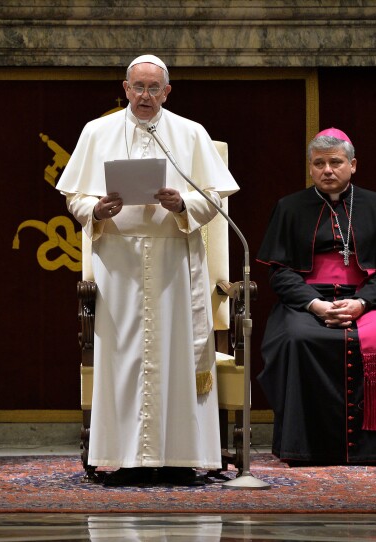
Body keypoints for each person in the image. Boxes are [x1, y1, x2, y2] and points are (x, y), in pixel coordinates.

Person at [56, 54, 239, 486]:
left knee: (176, 356)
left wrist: (183, 204)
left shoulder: (190, 133)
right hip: (118, 264)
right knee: (123, 359)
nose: (144, 95)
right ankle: (123, 457)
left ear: (167, 92)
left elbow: (214, 197)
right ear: (125, 89)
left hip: (175, 260)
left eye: (153, 88)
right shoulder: (96, 131)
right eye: (137, 87)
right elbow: (74, 197)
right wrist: (96, 209)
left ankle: (180, 457)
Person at [257, 128, 376, 466]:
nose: (327, 170)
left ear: (353, 165)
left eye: (335, 162)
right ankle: (304, 447)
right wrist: (316, 305)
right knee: (296, 339)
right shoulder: (289, 207)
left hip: (365, 299)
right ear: (310, 167)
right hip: (308, 301)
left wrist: (362, 303)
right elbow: (280, 272)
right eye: (318, 163)